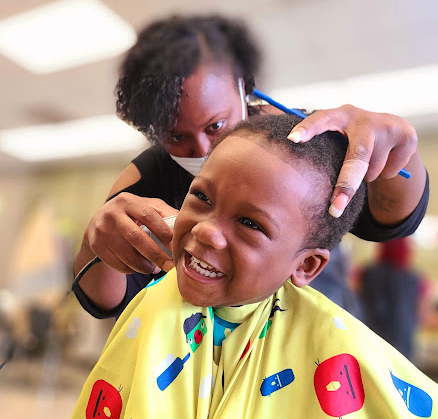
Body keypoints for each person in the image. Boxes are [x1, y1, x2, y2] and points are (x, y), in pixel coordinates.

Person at [72, 115, 438, 419]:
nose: (206, 231)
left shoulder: (335, 347)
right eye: (201, 196)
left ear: (307, 265)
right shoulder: (153, 305)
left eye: (250, 223)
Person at [73, 14, 429, 319]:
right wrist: (96, 242)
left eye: (215, 125)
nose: (204, 149)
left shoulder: (313, 147)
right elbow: (107, 299)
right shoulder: (148, 177)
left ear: (242, 86)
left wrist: (394, 149)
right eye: (176, 136)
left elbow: (390, 220)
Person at [359, 237, 425, 360]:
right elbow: (420, 312)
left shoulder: (368, 273)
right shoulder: (413, 278)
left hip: (373, 335)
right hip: (403, 338)